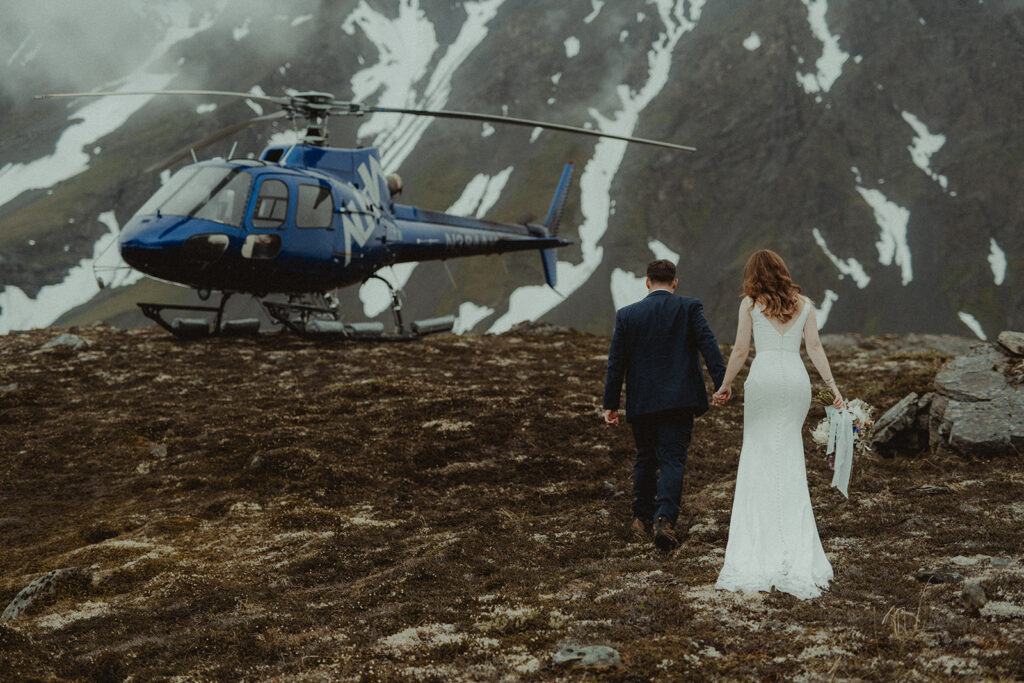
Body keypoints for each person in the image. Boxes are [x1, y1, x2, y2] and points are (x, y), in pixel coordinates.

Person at [711, 249, 843, 599]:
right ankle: (794, 540)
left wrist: (724, 385)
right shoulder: (805, 305)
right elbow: (813, 347)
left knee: (757, 455)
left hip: (765, 379)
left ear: (753, 275)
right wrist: (833, 390)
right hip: (796, 381)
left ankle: (760, 538)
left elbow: (740, 351)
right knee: (789, 453)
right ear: (783, 272)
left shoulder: (751, 305)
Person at [603, 260, 726, 551]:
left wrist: (610, 403)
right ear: (675, 282)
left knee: (645, 457)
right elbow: (708, 344)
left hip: (642, 401)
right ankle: (664, 519)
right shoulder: (689, 307)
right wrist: (721, 383)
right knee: (672, 459)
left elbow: (615, 364)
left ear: (647, 282)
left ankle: (641, 519)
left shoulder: (627, 315)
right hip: (680, 399)